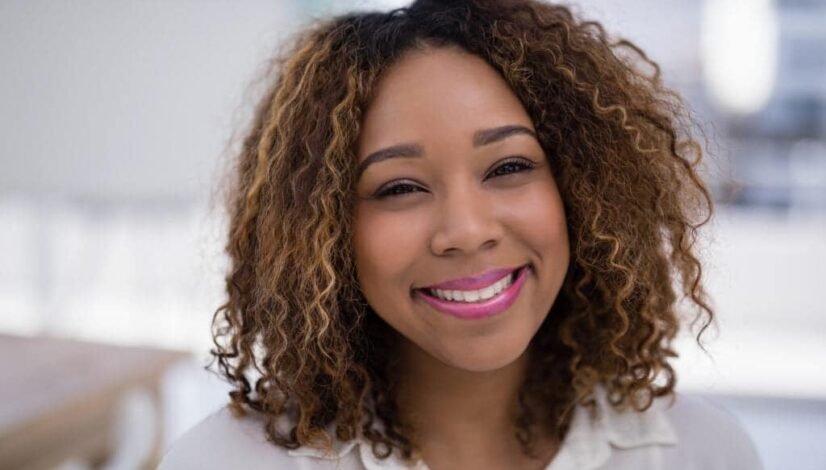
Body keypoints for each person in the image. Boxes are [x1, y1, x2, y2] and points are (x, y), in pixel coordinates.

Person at [159, 0, 763, 468]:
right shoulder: (222, 465)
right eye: (399, 188)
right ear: (323, 230)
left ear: (582, 190)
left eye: (509, 168)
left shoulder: (702, 455)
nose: (467, 232)